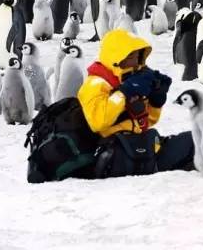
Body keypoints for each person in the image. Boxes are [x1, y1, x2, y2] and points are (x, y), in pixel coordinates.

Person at [77, 29, 194, 177]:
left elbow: (146, 122)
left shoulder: (132, 79)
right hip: (114, 155)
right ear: (116, 56)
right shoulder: (95, 84)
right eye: (131, 55)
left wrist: (156, 100)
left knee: (197, 140)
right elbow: (98, 121)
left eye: (138, 55)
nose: (136, 60)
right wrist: (124, 93)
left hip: (139, 147)